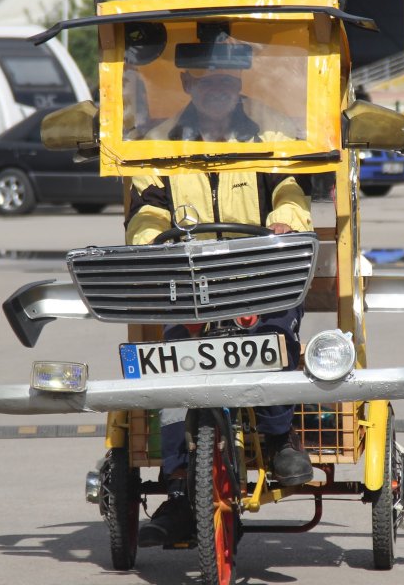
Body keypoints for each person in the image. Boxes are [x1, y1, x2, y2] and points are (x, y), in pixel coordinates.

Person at [127, 65, 315, 548]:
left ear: (239, 86)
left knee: (274, 334)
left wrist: (285, 223)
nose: (217, 89)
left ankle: (278, 443)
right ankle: (177, 486)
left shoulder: (269, 133)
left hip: (258, 273)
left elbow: (291, 188)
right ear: (189, 85)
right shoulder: (162, 140)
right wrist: (150, 239)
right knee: (171, 369)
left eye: (226, 81)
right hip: (191, 283)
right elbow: (147, 207)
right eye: (206, 80)